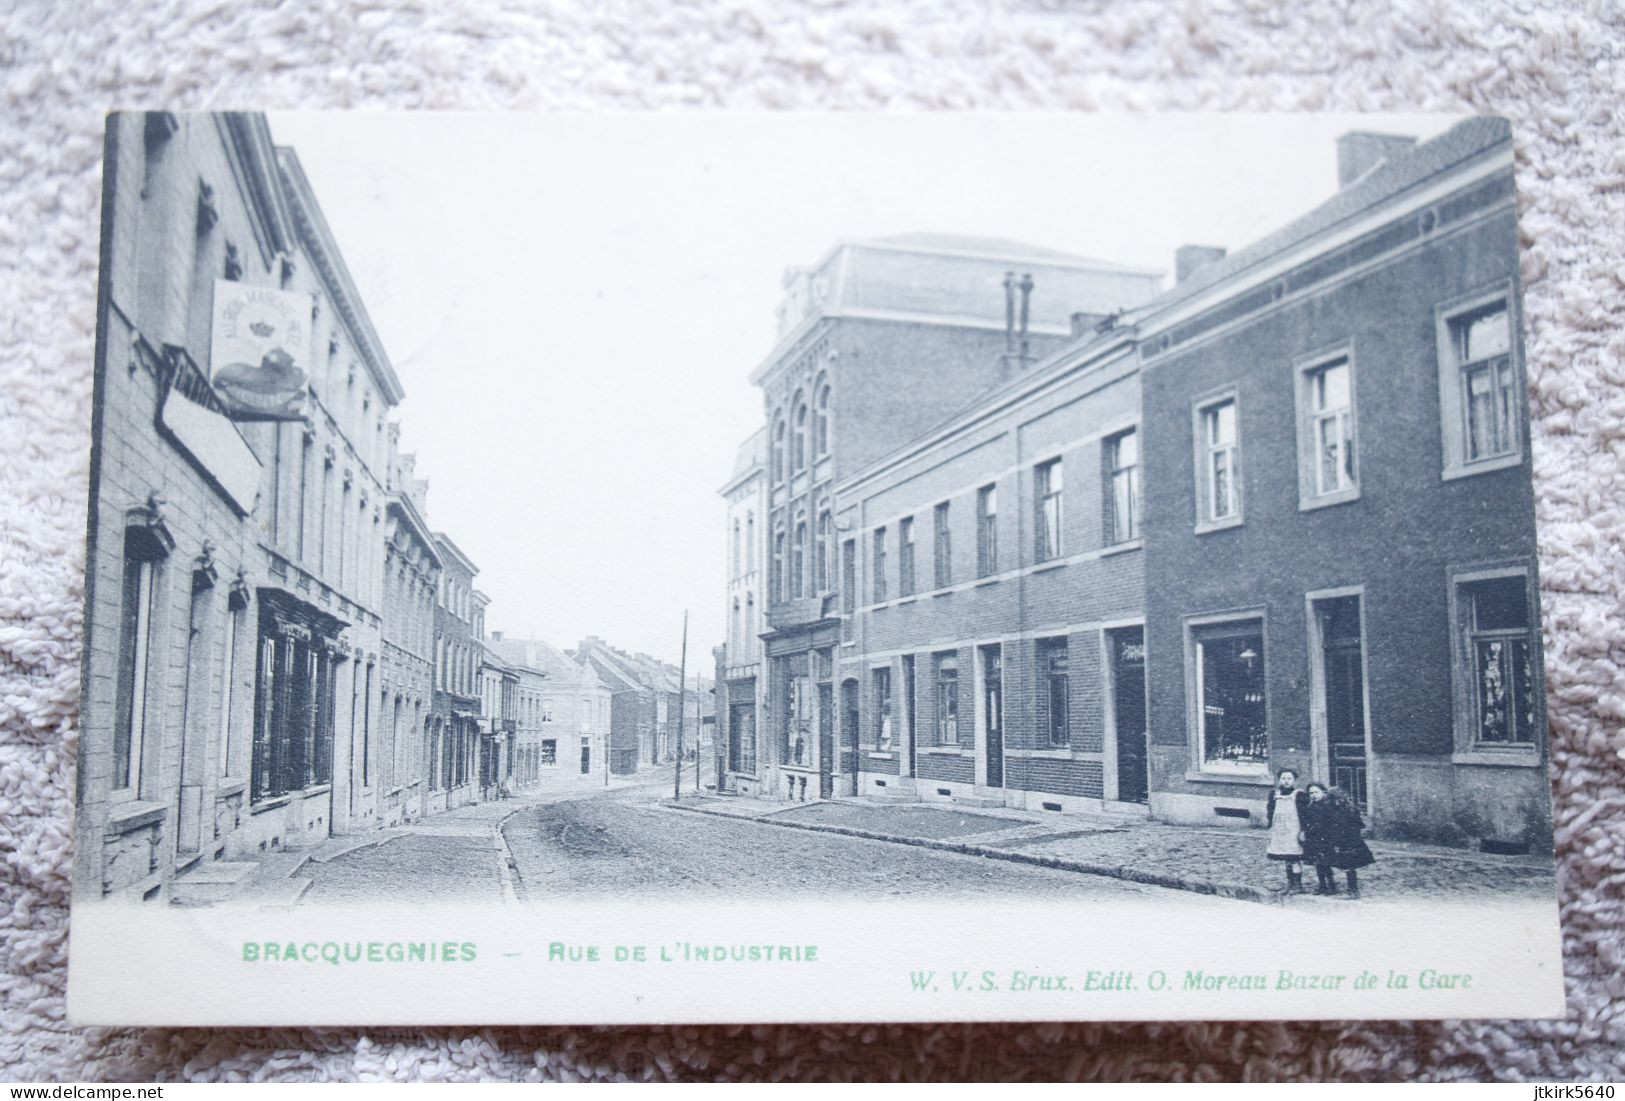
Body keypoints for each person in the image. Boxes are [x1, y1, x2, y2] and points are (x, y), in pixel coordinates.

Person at [1304, 785, 1375, 897]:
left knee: (1348, 865)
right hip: (1340, 840)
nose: (1327, 800)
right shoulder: (1332, 809)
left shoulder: (1347, 810)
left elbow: (1356, 825)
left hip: (1348, 841)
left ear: (1335, 798)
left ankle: (1353, 891)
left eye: (1329, 798)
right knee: (1340, 863)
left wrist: (1346, 839)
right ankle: (1344, 889)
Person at [1264, 768, 1309, 894]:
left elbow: (1304, 814)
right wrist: (1270, 825)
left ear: (1294, 781)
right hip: (1280, 830)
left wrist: (1303, 831)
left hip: (1294, 831)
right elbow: (1270, 810)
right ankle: (1290, 882)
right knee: (1286, 857)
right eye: (1283, 778)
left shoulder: (1299, 795)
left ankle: (1298, 884)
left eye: (1289, 778)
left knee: (1294, 857)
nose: (1286, 781)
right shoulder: (1275, 794)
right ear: (1279, 780)